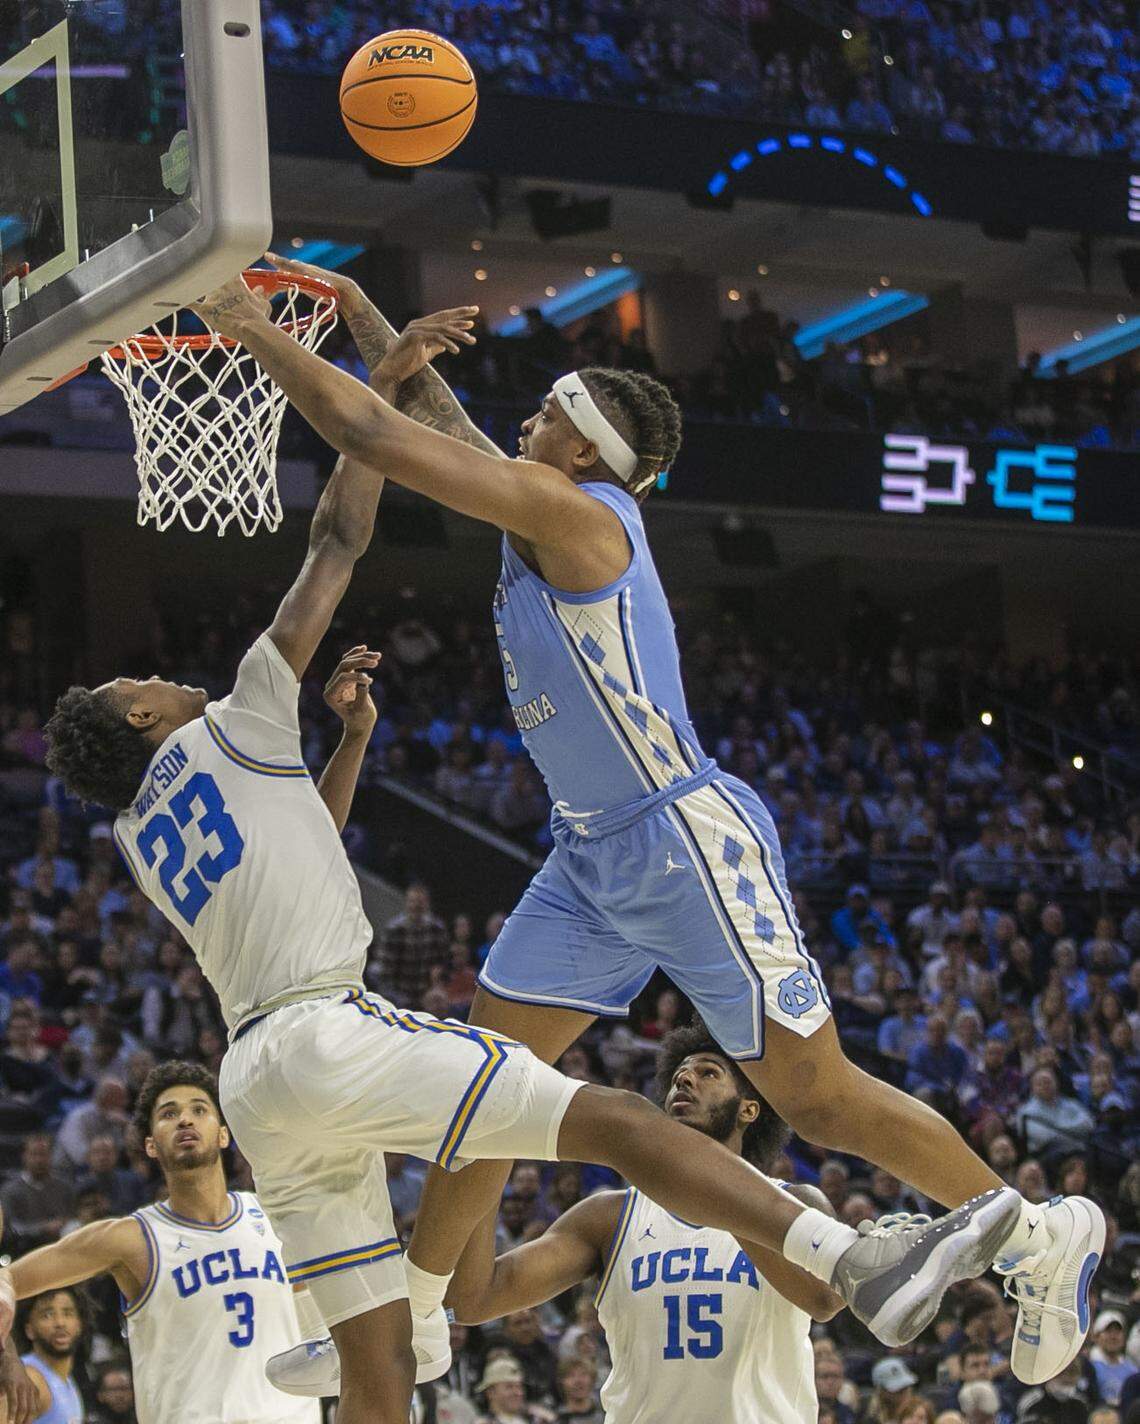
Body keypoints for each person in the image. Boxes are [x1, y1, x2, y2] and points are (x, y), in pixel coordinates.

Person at [189, 256, 1101, 1403]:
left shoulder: (578, 518)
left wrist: (252, 328)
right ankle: (419, 1317)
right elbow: (432, 413)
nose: (519, 422)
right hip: (589, 855)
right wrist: (365, 314)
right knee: (485, 1071)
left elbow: (378, 432)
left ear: (577, 450)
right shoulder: (544, 503)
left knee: (815, 1096)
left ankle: (1036, 1235)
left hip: (681, 839)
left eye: (544, 413)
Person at [446, 1022, 843, 1424]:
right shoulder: (608, 1217)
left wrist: (722, 1191)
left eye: (707, 1072)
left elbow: (825, 1300)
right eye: (677, 1076)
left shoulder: (794, 1204)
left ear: (748, 1108)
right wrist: (485, 1145)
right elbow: (475, 1297)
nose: (685, 1078)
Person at [5, 1063, 317, 1424]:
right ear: (151, 1145)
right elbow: (6, 1285)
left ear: (223, 1134)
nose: (185, 1120)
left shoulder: (274, 1217)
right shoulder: (130, 1239)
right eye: (169, 1114)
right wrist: (8, 1358)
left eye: (199, 1110)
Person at [18, 1288, 85, 1424]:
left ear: (79, 1324)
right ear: (29, 1330)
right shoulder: (29, 1380)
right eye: (47, 1315)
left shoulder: (67, 1380)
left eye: (68, 1313)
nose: (60, 1323)